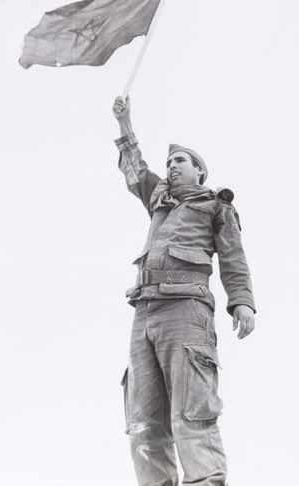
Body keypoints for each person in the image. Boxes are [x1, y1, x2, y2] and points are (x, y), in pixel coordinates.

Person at [113, 95, 255, 486]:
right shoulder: (160, 200)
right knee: (144, 420)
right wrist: (125, 125)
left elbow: (233, 259)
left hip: (186, 311)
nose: (171, 167)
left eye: (180, 162)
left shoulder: (215, 206)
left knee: (192, 411)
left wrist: (241, 303)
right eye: (169, 164)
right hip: (145, 312)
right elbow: (134, 169)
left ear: (199, 172)